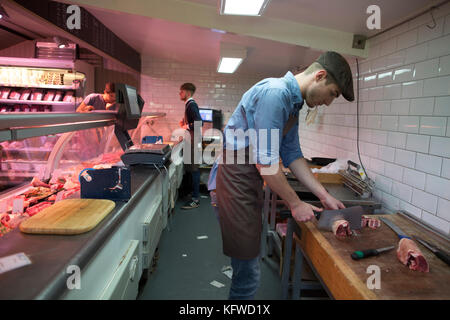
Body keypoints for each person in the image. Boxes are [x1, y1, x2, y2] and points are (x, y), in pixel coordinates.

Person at [213, 51, 355, 300]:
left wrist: (323, 195)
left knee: (247, 267)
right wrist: (295, 203)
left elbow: (292, 154)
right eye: (332, 93)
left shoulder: (293, 103)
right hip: (235, 181)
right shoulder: (276, 93)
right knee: (248, 275)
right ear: (319, 76)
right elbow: (266, 162)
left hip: (248, 181)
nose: (329, 102)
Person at [179, 83, 203, 210]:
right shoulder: (189, 105)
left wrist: (185, 126)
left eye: (181, 92)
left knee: (194, 170)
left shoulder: (191, 105)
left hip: (193, 142)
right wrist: (185, 124)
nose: (179, 94)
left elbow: (199, 122)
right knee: (190, 169)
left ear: (187, 92)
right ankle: (190, 193)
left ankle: (196, 199)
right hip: (191, 140)